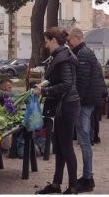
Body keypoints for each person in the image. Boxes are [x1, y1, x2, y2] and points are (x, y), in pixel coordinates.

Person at [33, 27, 80, 194]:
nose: (46, 45)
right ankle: (56, 184)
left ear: (53, 40)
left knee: (66, 147)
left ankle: (73, 187)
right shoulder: (60, 56)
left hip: (67, 106)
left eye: (47, 41)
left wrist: (44, 91)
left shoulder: (64, 57)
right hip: (63, 105)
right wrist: (44, 86)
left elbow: (67, 84)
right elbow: (61, 81)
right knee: (60, 147)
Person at [67, 27, 106, 193]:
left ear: (77, 38)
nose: (68, 43)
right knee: (84, 139)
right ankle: (87, 175)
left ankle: (88, 178)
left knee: (84, 140)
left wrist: (76, 102)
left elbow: (81, 83)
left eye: (69, 40)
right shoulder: (86, 53)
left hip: (84, 102)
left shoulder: (82, 54)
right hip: (89, 101)